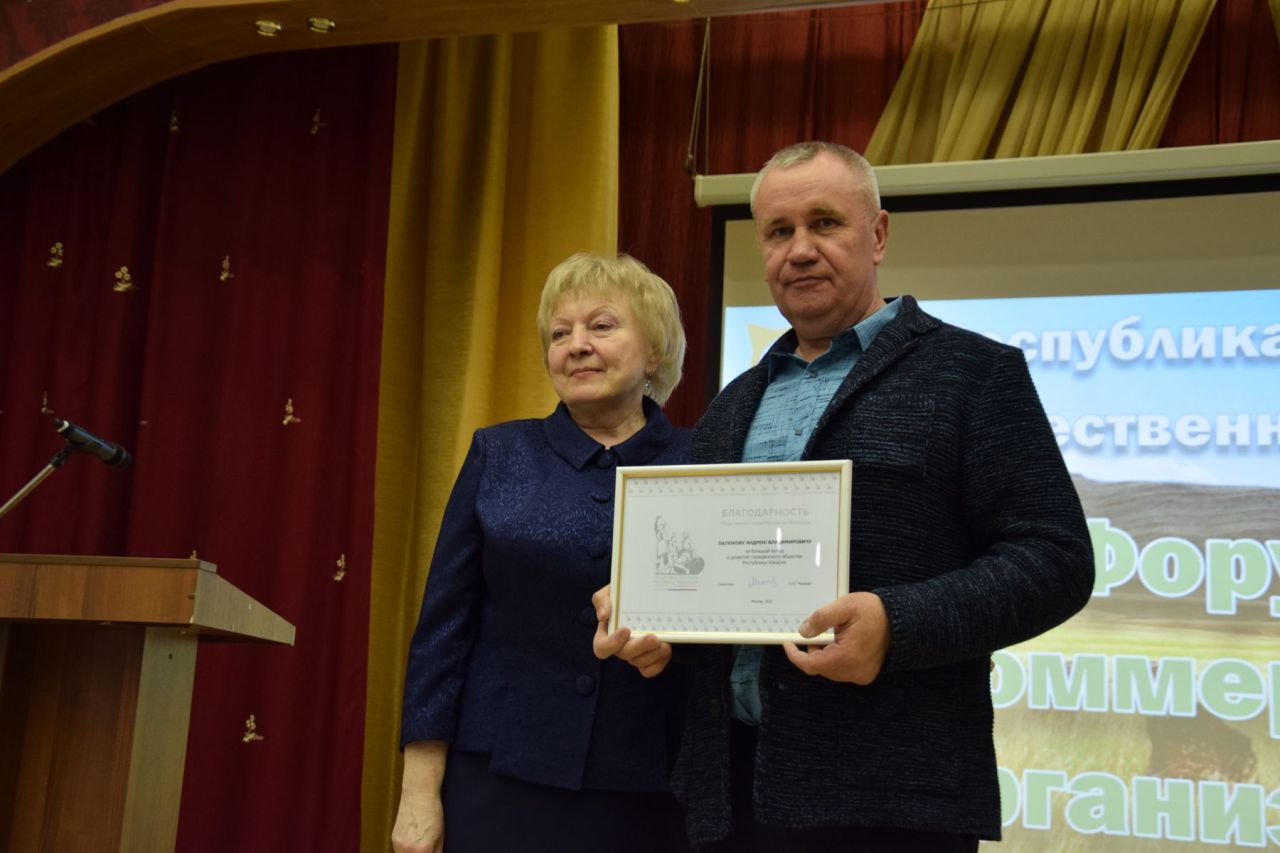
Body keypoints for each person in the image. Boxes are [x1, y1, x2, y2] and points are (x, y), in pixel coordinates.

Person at [594, 142, 1095, 851]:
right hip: (728, 790)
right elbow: (700, 577)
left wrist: (896, 624)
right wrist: (643, 607)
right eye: (779, 231)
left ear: (878, 235)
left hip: (891, 801)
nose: (800, 249)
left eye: (824, 223)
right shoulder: (733, 402)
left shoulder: (975, 373)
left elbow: (1056, 558)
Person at [394, 253, 692, 853]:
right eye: (560, 334)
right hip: (499, 777)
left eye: (601, 326)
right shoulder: (499, 453)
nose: (576, 345)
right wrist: (417, 794)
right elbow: (443, 633)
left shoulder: (704, 459)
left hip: (650, 785)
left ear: (654, 352)